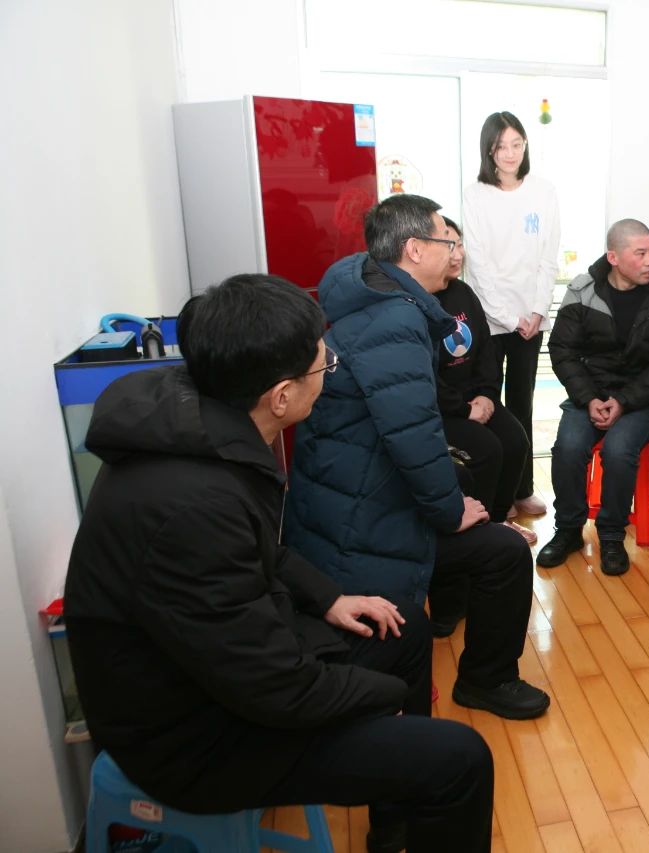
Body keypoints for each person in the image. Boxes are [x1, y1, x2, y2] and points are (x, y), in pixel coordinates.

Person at [64, 275, 494, 853]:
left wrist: (331, 598)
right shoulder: (195, 503)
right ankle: (409, 778)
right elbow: (273, 687)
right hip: (189, 738)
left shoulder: (204, 427)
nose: (330, 373)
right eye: (324, 366)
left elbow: (258, 554)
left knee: (404, 626)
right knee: (460, 759)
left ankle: (395, 821)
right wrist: (379, 696)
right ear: (282, 395)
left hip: (218, 669)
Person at [284, 194, 549, 720]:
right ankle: (487, 680)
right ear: (413, 249)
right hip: (357, 525)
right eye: (446, 241)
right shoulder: (394, 319)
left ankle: (467, 645)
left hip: (341, 505)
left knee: (482, 502)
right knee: (504, 551)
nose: (455, 252)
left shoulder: (371, 299)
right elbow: (413, 435)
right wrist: (450, 511)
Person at [535, 219, 649, 576]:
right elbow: (562, 349)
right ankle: (569, 530)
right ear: (614, 257)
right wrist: (589, 398)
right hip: (588, 394)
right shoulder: (582, 289)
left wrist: (624, 401)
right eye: (640, 253)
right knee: (568, 447)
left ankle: (611, 535)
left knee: (619, 450)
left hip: (641, 401)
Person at [462, 110, 561, 520]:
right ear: (489, 150)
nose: (509, 153)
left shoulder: (543, 191)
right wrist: (508, 316)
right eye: (501, 146)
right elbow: (479, 264)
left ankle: (522, 489)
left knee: (523, 404)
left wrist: (536, 311)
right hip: (488, 319)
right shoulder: (475, 195)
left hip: (530, 321)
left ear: (525, 146)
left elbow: (548, 258)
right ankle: (493, 495)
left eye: (516, 144)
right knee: (487, 403)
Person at [435, 216, 537, 546]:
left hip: (477, 398)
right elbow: (425, 377)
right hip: (443, 408)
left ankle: (497, 520)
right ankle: (479, 529)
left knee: (516, 441)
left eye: (460, 245)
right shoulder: (419, 303)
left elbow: (486, 353)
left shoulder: (464, 293)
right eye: (449, 246)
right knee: (488, 450)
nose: (457, 254)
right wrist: (464, 410)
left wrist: (488, 395)